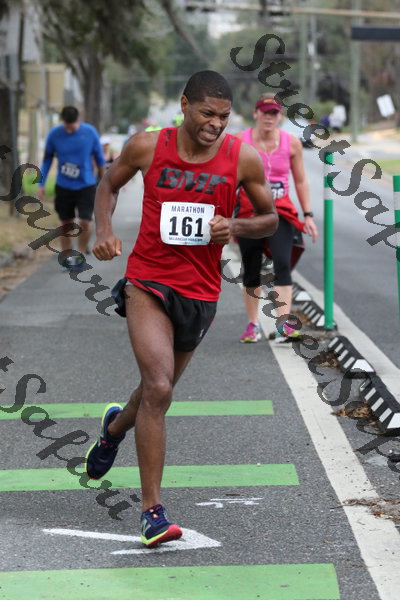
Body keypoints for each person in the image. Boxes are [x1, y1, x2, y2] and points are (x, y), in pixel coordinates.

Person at [84, 71, 278, 547]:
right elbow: (108, 184)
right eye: (207, 113)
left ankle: (113, 429)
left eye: (224, 116)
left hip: (201, 292)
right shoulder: (147, 146)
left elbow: (270, 217)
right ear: (185, 105)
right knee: (159, 387)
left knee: (157, 390)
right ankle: (152, 512)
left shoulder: (242, 157)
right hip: (148, 281)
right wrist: (103, 231)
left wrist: (235, 226)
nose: (216, 124)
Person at [236, 94, 318, 344]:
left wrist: (308, 214)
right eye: (265, 112)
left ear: (280, 117)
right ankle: (253, 325)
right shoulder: (240, 141)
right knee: (251, 268)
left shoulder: (291, 143)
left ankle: (283, 325)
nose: (269, 117)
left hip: (280, 211)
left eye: (274, 113)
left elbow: (300, 180)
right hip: (249, 211)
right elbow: (229, 179)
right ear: (256, 114)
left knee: (282, 263)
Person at [38, 106, 106, 269]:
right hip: (64, 185)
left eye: (72, 127)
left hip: (86, 184)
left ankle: (80, 254)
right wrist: (41, 183)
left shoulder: (90, 132)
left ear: (78, 120)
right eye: (66, 126)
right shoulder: (55, 134)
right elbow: (47, 159)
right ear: (63, 121)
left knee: (85, 221)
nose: (69, 130)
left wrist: (104, 183)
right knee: (65, 222)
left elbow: (99, 158)